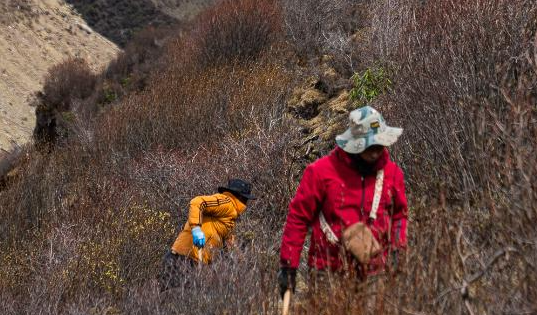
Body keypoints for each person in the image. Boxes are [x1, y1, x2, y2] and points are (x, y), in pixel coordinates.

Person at [278, 106, 407, 296]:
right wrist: (289, 265)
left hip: (376, 272)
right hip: (327, 272)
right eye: (370, 147)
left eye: (379, 145)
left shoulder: (392, 173)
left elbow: (399, 216)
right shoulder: (320, 172)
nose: (375, 153)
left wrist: (397, 249)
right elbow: (298, 219)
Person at [169, 178, 254, 270]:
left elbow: (229, 240)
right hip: (182, 258)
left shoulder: (232, 215)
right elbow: (197, 202)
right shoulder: (226, 202)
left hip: (195, 262)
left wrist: (242, 261)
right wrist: (196, 229)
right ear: (241, 197)